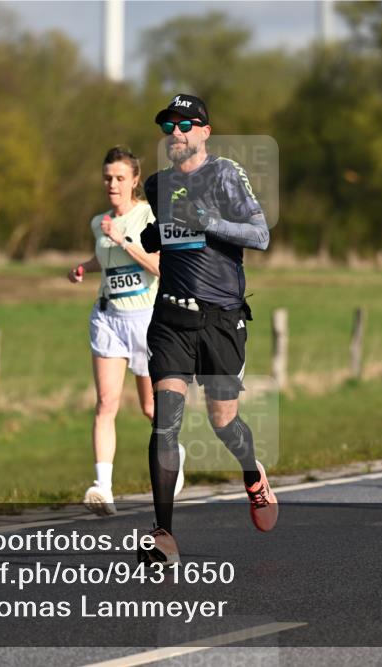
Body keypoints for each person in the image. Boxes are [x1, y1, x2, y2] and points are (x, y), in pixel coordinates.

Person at [136, 94, 274, 564]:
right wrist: (156, 237)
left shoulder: (226, 175)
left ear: (205, 132)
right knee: (165, 420)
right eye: (169, 125)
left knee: (223, 422)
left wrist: (209, 221)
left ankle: (252, 474)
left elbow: (260, 235)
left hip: (220, 318)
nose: (176, 133)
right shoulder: (157, 185)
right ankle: (164, 534)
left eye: (186, 124)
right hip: (171, 317)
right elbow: (164, 234)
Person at [66, 146, 183, 516]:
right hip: (108, 319)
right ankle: (103, 488)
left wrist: (122, 240)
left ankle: (174, 453)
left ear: (134, 180)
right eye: (107, 178)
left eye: (119, 178)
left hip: (146, 321)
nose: (112, 185)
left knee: (151, 407)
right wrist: (84, 268)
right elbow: (106, 259)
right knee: (105, 404)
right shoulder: (97, 222)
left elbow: (158, 267)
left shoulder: (149, 217)